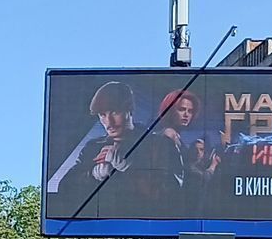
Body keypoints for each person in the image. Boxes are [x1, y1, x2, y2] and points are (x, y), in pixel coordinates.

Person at [47, 80, 183, 214]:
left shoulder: (160, 144)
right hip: (101, 227)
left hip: (149, 223)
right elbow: (64, 190)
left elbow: (177, 193)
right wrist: (94, 174)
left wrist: (130, 168)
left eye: (114, 112)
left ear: (129, 109)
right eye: (102, 115)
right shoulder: (93, 147)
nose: (108, 122)